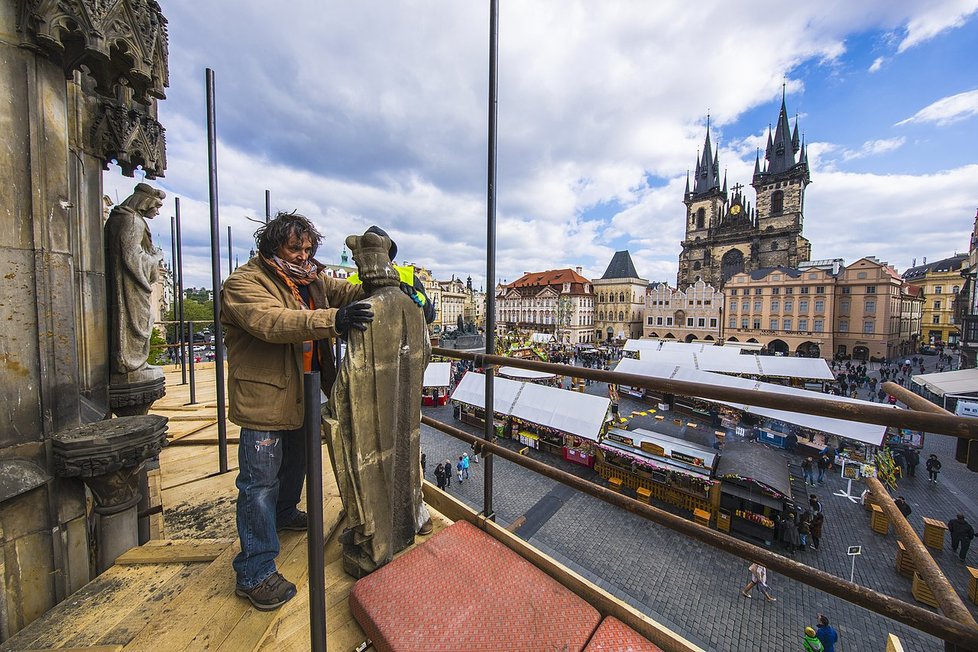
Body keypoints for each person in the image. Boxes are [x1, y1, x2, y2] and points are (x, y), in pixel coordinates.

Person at [221, 212, 372, 610]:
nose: (304, 255)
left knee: (297, 465)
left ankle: (285, 513)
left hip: (304, 392)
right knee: (258, 486)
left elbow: (349, 292)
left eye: (309, 248)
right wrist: (334, 320)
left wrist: (401, 290)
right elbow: (274, 321)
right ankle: (254, 572)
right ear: (271, 247)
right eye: (295, 248)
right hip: (264, 400)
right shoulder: (244, 283)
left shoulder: (309, 278)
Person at [104, 183, 166, 379]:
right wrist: (156, 258)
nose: (157, 211)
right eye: (156, 206)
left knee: (142, 321)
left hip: (130, 285)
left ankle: (134, 363)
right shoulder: (131, 221)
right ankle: (131, 363)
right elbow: (132, 258)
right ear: (145, 202)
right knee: (137, 321)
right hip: (128, 287)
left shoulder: (126, 218)